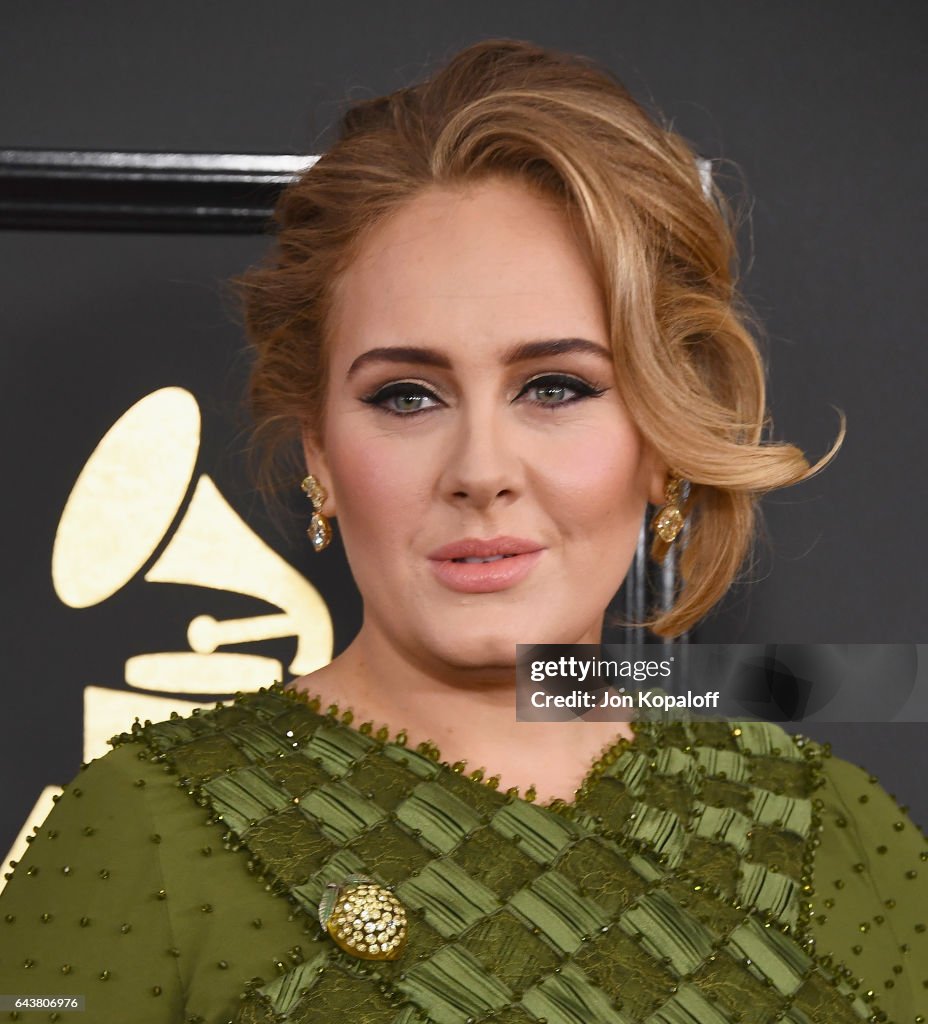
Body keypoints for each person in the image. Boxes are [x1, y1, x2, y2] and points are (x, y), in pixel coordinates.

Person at [1, 37, 925, 1024]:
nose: (480, 470)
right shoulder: (145, 827)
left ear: (661, 436)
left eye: (556, 387)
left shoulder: (829, 832)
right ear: (318, 452)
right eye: (406, 396)